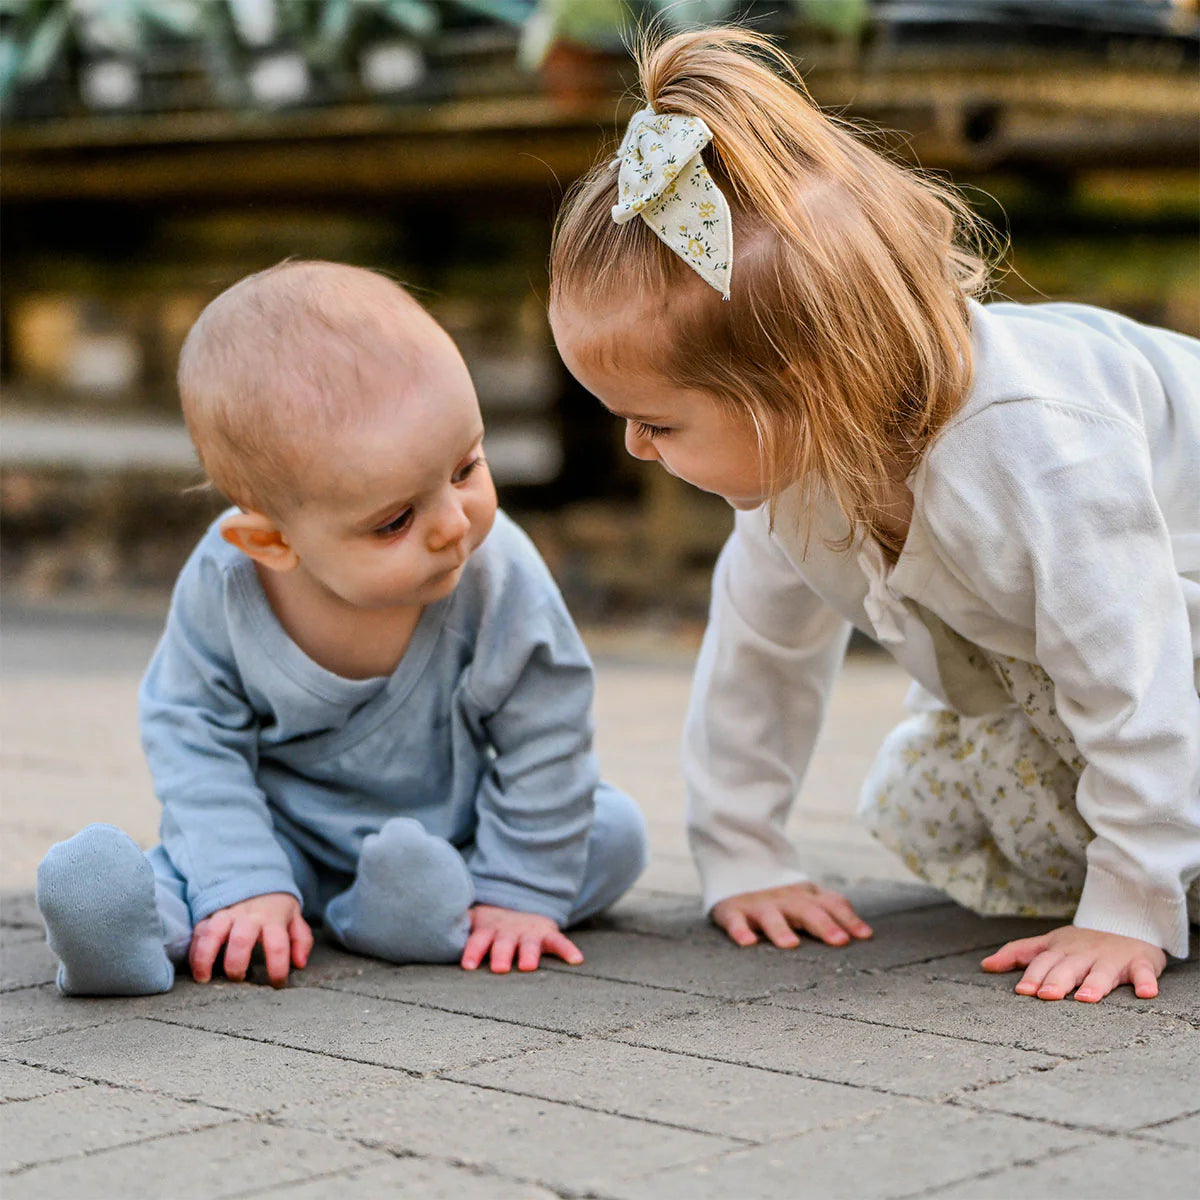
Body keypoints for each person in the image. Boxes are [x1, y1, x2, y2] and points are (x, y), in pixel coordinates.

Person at [548, 28, 1200, 1004]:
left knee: (1130, 755)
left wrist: (1130, 906)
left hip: (1166, 634)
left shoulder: (1037, 448)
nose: (638, 451)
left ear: (805, 390)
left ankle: (1165, 865)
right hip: (1097, 669)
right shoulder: (797, 467)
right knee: (935, 802)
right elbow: (759, 659)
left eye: (656, 422)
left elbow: (1132, 673)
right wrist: (743, 854)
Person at [36, 260, 648, 996]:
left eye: (466, 467)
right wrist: (244, 882)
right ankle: (122, 930)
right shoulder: (229, 586)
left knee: (613, 833)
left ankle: (421, 909)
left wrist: (519, 892)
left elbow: (547, 729)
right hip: (277, 837)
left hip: (457, 837)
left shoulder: (497, 572)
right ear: (272, 543)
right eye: (395, 520)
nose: (454, 526)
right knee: (200, 876)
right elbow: (192, 732)